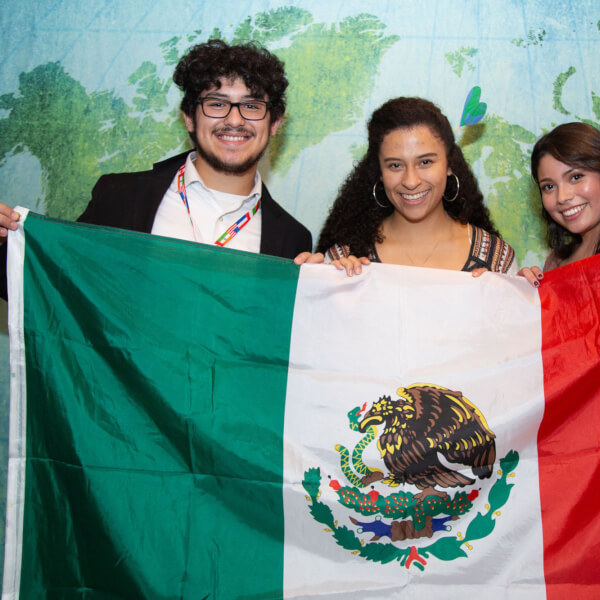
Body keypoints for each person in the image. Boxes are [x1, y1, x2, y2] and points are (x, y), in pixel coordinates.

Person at [0, 39, 312, 298]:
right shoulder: (119, 198)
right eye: (216, 104)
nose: (234, 120)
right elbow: (52, 290)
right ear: (189, 117)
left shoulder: (292, 240)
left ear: (275, 123)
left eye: (252, 106)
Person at [296, 97, 515, 275]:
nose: (411, 181)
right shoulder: (343, 260)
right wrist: (312, 284)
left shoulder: (497, 262)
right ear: (379, 172)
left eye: (425, 162)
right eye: (395, 165)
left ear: (450, 164)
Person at [519, 122, 600, 286]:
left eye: (576, 177)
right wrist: (524, 295)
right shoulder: (555, 263)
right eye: (549, 187)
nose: (562, 197)